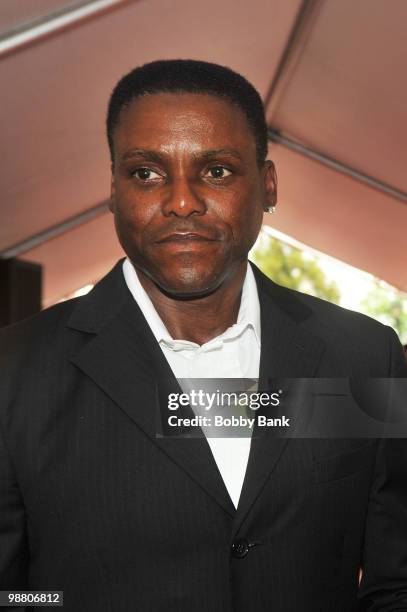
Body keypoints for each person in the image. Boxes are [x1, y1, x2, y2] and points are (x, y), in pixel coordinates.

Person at [0, 59, 406, 612]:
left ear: (267, 186)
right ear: (113, 190)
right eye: (147, 173)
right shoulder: (15, 373)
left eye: (216, 171)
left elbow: (394, 582)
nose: (183, 201)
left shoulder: (363, 356)